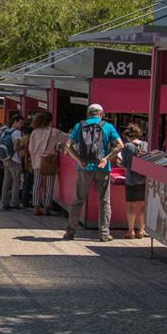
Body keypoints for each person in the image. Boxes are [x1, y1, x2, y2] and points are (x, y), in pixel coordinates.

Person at [62, 104, 124, 242]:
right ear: (101, 114)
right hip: (103, 168)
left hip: (84, 168)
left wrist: (79, 160)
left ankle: (70, 232)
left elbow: (67, 146)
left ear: (88, 114)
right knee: (104, 202)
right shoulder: (108, 127)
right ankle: (104, 234)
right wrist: (106, 159)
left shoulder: (80, 126)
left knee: (78, 200)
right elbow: (120, 145)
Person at [28, 111, 67, 216]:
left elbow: (30, 148)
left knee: (36, 184)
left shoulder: (34, 132)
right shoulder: (55, 132)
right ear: (51, 120)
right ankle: (46, 207)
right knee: (49, 185)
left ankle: (36, 207)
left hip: (37, 161)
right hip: (49, 161)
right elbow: (68, 139)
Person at [119, 123, 148, 239]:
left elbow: (125, 164)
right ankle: (141, 229)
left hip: (131, 180)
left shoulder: (127, 146)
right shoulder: (146, 145)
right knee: (142, 205)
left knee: (131, 206)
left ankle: (130, 231)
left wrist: (120, 163)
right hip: (144, 179)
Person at [0, 115, 26, 210]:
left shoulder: (7, 130)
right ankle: (15, 203)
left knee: (6, 181)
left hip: (6, 158)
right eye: (21, 123)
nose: (22, 125)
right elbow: (15, 148)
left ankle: (5, 203)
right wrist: (23, 147)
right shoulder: (17, 132)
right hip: (15, 160)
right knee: (16, 182)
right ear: (15, 121)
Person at [19, 125, 35, 209]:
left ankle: (24, 200)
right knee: (27, 182)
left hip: (23, 162)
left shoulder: (23, 138)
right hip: (28, 163)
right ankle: (25, 201)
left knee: (25, 182)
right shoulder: (29, 139)